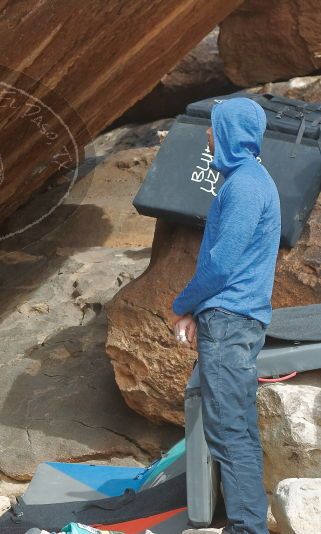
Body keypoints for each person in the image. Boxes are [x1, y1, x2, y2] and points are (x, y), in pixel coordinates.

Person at [170, 98, 281, 534]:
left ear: (232, 133)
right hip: (230, 318)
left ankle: (247, 528)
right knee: (233, 427)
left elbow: (220, 264)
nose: (207, 134)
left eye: (214, 128)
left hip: (231, 322)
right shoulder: (245, 180)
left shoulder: (246, 186)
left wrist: (180, 305)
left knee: (229, 430)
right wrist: (199, 309)